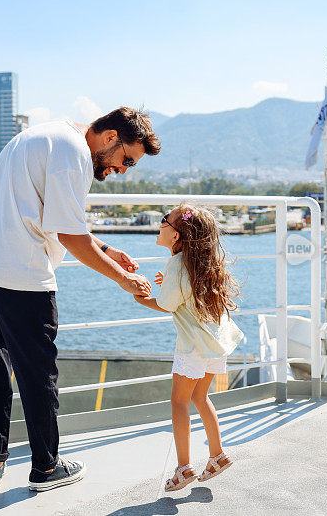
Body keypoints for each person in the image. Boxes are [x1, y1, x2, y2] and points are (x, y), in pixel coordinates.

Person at [0, 107, 161, 492]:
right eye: (126, 160)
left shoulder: (53, 136)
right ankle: (47, 468)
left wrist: (108, 249)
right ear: (111, 137)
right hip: (18, 270)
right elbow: (69, 236)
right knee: (38, 372)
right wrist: (124, 280)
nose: (123, 170)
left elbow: (58, 217)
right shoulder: (74, 156)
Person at [133, 203, 243, 492]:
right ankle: (217, 455)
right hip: (214, 344)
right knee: (200, 397)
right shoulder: (202, 264)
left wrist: (140, 297)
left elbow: (167, 303)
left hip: (193, 346)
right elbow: (184, 292)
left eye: (165, 221)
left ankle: (183, 468)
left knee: (179, 401)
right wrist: (166, 282)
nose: (161, 224)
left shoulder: (176, 265)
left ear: (177, 236)